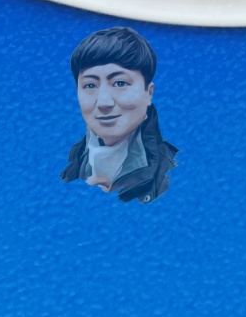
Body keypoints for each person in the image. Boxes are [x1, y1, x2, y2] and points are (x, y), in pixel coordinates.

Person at [61, 27, 178, 203]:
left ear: (149, 92)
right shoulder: (67, 168)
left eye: (120, 83)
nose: (104, 102)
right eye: (90, 85)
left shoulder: (172, 171)